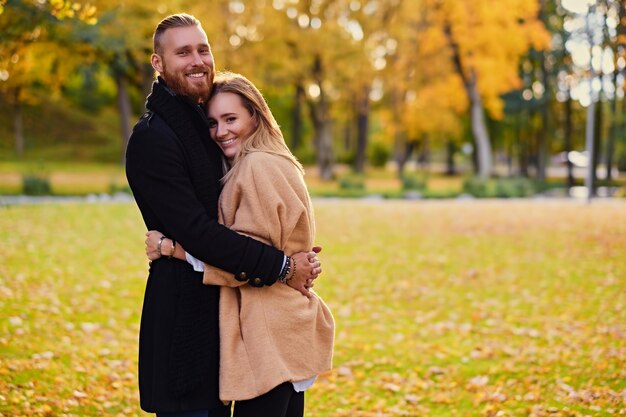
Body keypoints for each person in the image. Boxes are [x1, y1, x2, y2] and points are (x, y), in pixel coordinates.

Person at [125, 14, 321, 417]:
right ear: (157, 63)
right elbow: (200, 232)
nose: (197, 59)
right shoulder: (155, 138)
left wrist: (290, 258)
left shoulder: (212, 133)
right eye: (182, 52)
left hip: (243, 319)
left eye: (203, 48)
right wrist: (284, 265)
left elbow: (255, 225)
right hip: (185, 326)